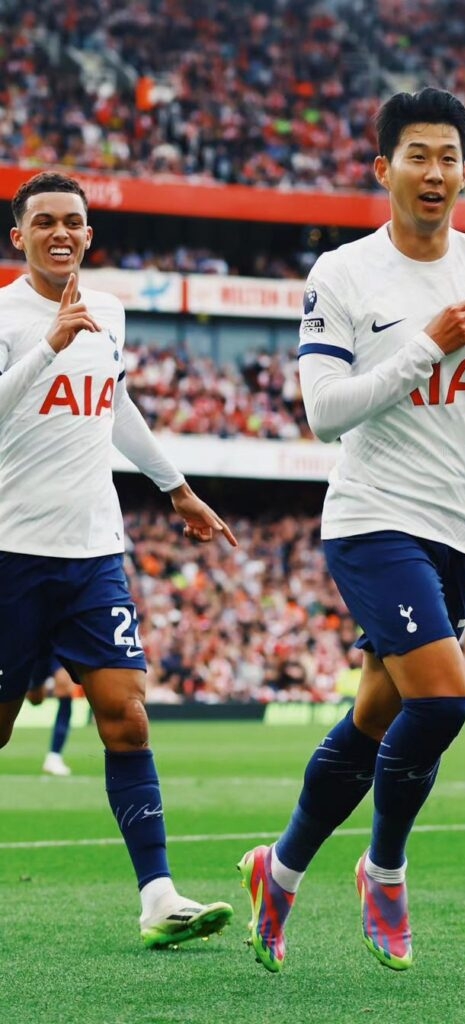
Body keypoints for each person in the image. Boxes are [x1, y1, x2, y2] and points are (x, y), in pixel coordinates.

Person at [237, 87, 465, 973]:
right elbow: (323, 413)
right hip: (369, 519)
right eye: (418, 156)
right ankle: (383, 872)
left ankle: (276, 870)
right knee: (441, 700)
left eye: (451, 157)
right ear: (382, 168)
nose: (436, 173)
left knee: (371, 720)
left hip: (455, 529)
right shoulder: (342, 274)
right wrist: (425, 345)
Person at [0, 171, 238, 949]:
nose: (60, 233)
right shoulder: (6, 315)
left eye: (73, 221)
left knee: (126, 719)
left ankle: (159, 896)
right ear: (20, 236)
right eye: (45, 223)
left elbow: (115, 402)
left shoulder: (110, 311)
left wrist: (176, 487)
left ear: (89, 235)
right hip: (11, 553)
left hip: (93, 551)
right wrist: (45, 346)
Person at [26, 654, 76, 776]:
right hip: (35, 646)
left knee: (65, 689)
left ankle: (54, 757)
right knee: (35, 699)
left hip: (58, 646)